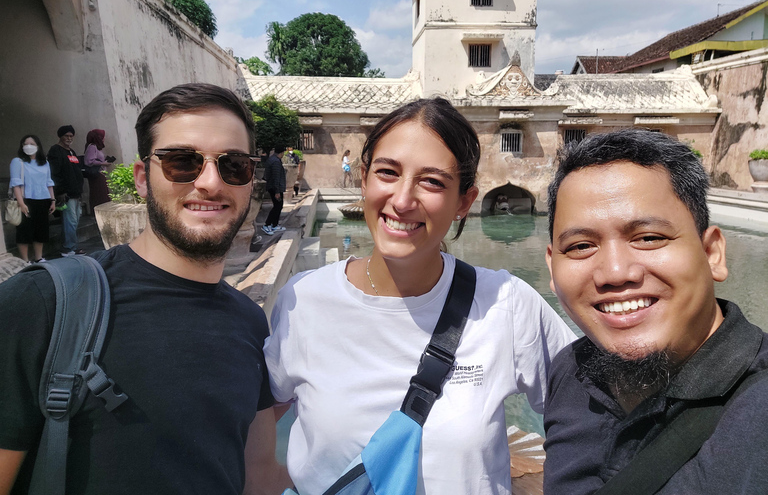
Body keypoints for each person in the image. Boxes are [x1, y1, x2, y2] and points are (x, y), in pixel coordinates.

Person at [264, 97, 576, 495]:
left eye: (432, 181)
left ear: (464, 201)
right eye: (387, 172)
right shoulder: (304, 301)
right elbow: (256, 421)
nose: (402, 200)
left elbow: (592, 414)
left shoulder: (506, 305)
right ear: (364, 178)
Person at [0, 83, 290, 495]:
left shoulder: (249, 321)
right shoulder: (44, 303)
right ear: (142, 177)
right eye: (182, 161)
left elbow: (257, 476)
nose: (210, 182)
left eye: (233, 164)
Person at [543, 129, 768, 494]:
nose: (615, 272)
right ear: (553, 269)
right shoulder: (571, 369)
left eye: (649, 238)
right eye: (582, 246)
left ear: (712, 253)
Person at [8, 135, 55, 263]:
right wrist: (21, 203)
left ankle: (38, 258)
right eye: (25, 144)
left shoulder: (45, 163)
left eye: (31, 143)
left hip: (43, 199)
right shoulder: (18, 162)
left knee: (41, 230)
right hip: (26, 200)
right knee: (24, 230)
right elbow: (16, 183)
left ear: (38, 146)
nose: (28, 146)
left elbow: (48, 182)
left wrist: (53, 200)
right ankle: (25, 260)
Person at [47, 125, 85, 256]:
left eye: (71, 136)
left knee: (75, 220)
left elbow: (76, 172)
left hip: (76, 193)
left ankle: (71, 246)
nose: (69, 138)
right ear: (60, 136)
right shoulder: (55, 151)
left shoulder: (72, 152)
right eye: (66, 136)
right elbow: (54, 173)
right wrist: (60, 191)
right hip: (66, 194)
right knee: (70, 221)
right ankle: (68, 248)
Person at [83, 128, 114, 210]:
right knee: (99, 195)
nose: (104, 139)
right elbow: (88, 161)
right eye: (102, 137)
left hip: (101, 174)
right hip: (97, 175)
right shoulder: (92, 147)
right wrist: (102, 163)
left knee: (103, 195)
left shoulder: (96, 147)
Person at [262, 147, 286, 236]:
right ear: (282, 152)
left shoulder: (273, 159)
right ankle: (267, 224)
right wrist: (277, 191)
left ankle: (274, 225)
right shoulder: (275, 162)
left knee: (279, 206)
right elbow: (276, 177)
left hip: (274, 187)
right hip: (275, 188)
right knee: (277, 206)